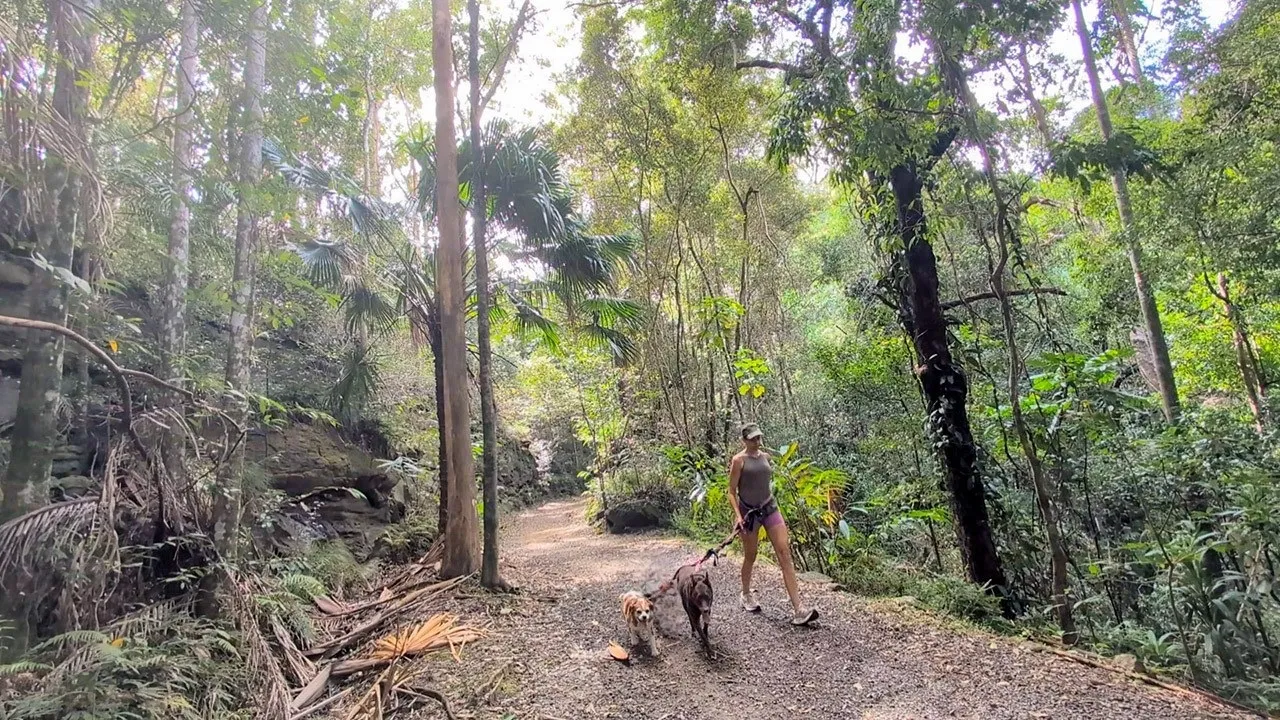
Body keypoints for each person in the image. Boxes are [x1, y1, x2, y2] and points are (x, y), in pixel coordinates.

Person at [728, 423, 819, 625]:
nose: (757, 441)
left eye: (758, 437)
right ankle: (745, 594)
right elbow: (731, 492)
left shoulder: (767, 458)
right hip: (749, 514)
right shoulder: (738, 460)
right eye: (753, 438)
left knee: (784, 554)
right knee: (751, 555)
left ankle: (799, 610)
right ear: (744, 440)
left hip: (770, 508)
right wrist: (738, 516)